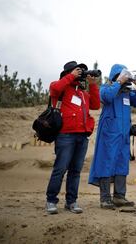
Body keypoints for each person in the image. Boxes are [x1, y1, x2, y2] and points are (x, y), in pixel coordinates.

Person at [88, 64, 136, 209]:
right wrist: (119, 82)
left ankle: (119, 197)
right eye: (123, 75)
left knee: (122, 163)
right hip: (109, 134)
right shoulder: (107, 88)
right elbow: (106, 97)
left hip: (123, 136)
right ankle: (105, 198)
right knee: (106, 163)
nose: (127, 78)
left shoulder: (127, 93)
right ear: (116, 76)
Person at [45, 61, 100, 214]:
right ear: (69, 73)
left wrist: (92, 84)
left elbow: (95, 105)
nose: (80, 74)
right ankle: (51, 200)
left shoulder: (82, 93)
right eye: (78, 71)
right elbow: (54, 89)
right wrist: (71, 76)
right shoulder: (60, 87)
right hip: (65, 135)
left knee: (75, 171)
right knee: (60, 169)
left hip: (82, 136)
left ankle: (71, 202)